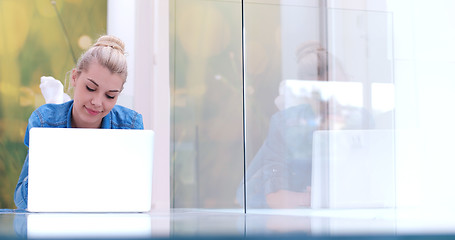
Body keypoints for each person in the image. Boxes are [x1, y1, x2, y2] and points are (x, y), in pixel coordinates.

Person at [237, 41, 373, 208]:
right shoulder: (287, 124)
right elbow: (268, 195)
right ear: (306, 94)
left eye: (340, 88)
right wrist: (309, 198)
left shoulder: (361, 119)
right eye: (321, 94)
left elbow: (372, 177)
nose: (333, 100)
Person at [14, 35, 144, 209]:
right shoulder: (45, 122)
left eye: (110, 96)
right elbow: (22, 201)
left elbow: (136, 199)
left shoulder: (130, 126)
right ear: (75, 77)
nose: (97, 102)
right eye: (90, 88)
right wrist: (49, 166)